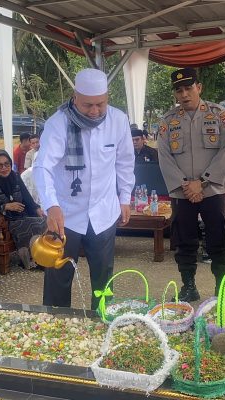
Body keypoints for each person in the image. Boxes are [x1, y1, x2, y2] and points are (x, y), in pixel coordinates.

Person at [34, 68, 135, 310]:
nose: (94, 111)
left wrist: (125, 198)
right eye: (87, 105)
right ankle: (56, 326)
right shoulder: (58, 124)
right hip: (65, 214)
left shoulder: (118, 120)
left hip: (103, 211)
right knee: (58, 275)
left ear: (107, 97)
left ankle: (102, 323)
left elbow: (125, 163)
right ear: (74, 97)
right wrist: (51, 205)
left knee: (103, 277)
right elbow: (42, 167)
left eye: (100, 104)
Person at [157, 67, 225, 302]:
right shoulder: (168, 121)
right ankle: (188, 285)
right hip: (183, 193)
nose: (184, 94)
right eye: (179, 90)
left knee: (219, 240)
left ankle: (222, 287)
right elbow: (164, 157)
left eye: (188, 88)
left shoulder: (219, 115)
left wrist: (201, 183)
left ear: (199, 88)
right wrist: (186, 185)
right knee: (184, 240)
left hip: (213, 189)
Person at [0, 149, 46, 269]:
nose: (4, 168)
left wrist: (37, 209)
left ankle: (40, 256)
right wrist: (5, 206)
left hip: (21, 215)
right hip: (5, 220)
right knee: (31, 224)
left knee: (43, 220)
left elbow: (26, 197)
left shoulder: (15, 176)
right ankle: (29, 261)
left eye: (7, 164)